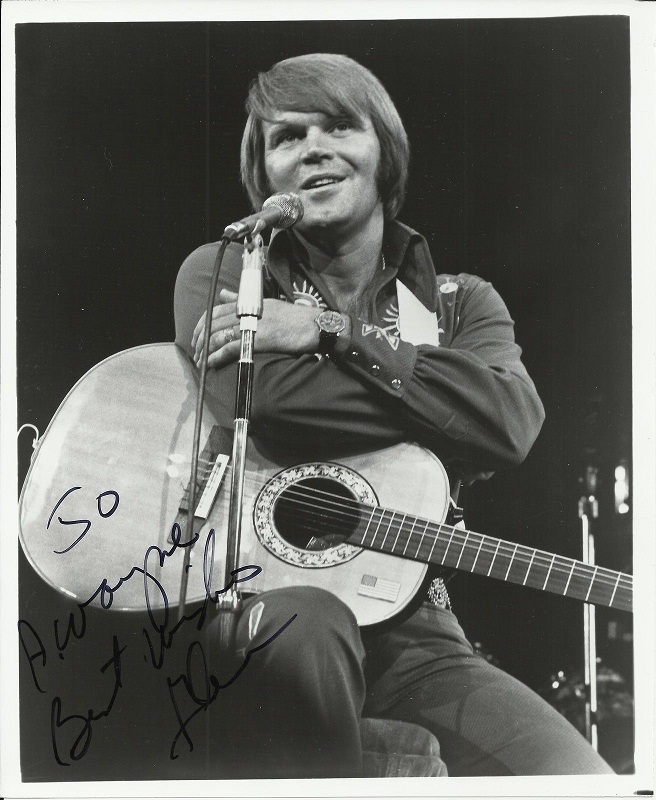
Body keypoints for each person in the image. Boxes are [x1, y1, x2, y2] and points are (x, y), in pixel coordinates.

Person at [173, 53, 613, 778]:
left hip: (419, 630)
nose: (313, 146)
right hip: (269, 608)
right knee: (307, 627)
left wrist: (332, 335)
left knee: (582, 779)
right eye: (287, 137)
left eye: (340, 125)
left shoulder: (460, 303)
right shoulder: (228, 273)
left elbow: (510, 424)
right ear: (265, 174)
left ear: (384, 151)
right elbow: (276, 406)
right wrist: (437, 412)